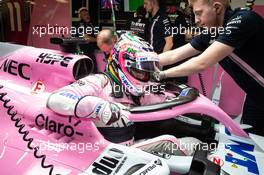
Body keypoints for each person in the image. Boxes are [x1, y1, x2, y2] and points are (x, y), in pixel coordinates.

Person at [47, 30, 200, 156]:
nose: (144, 77)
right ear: (121, 64)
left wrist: (180, 96)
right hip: (105, 152)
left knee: (188, 130)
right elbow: (56, 98)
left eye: (147, 71)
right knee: (172, 143)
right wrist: (99, 107)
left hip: (130, 147)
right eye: (139, 71)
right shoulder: (100, 81)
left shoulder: (142, 88)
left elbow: (162, 100)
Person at [156, 0, 264, 135]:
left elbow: (201, 63)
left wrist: (161, 74)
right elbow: (174, 55)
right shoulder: (213, 32)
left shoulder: (243, 20)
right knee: (253, 142)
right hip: (256, 97)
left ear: (217, 8)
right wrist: (140, 58)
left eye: (199, 13)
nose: (196, 20)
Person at [73, 7, 98, 73]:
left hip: (90, 51)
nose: (87, 16)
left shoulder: (90, 24)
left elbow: (97, 36)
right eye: (84, 14)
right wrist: (97, 40)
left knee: (93, 71)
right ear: (80, 16)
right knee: (84, 72)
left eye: (87, 14)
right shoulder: (79, 25)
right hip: (82, 52)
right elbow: (86, 38)